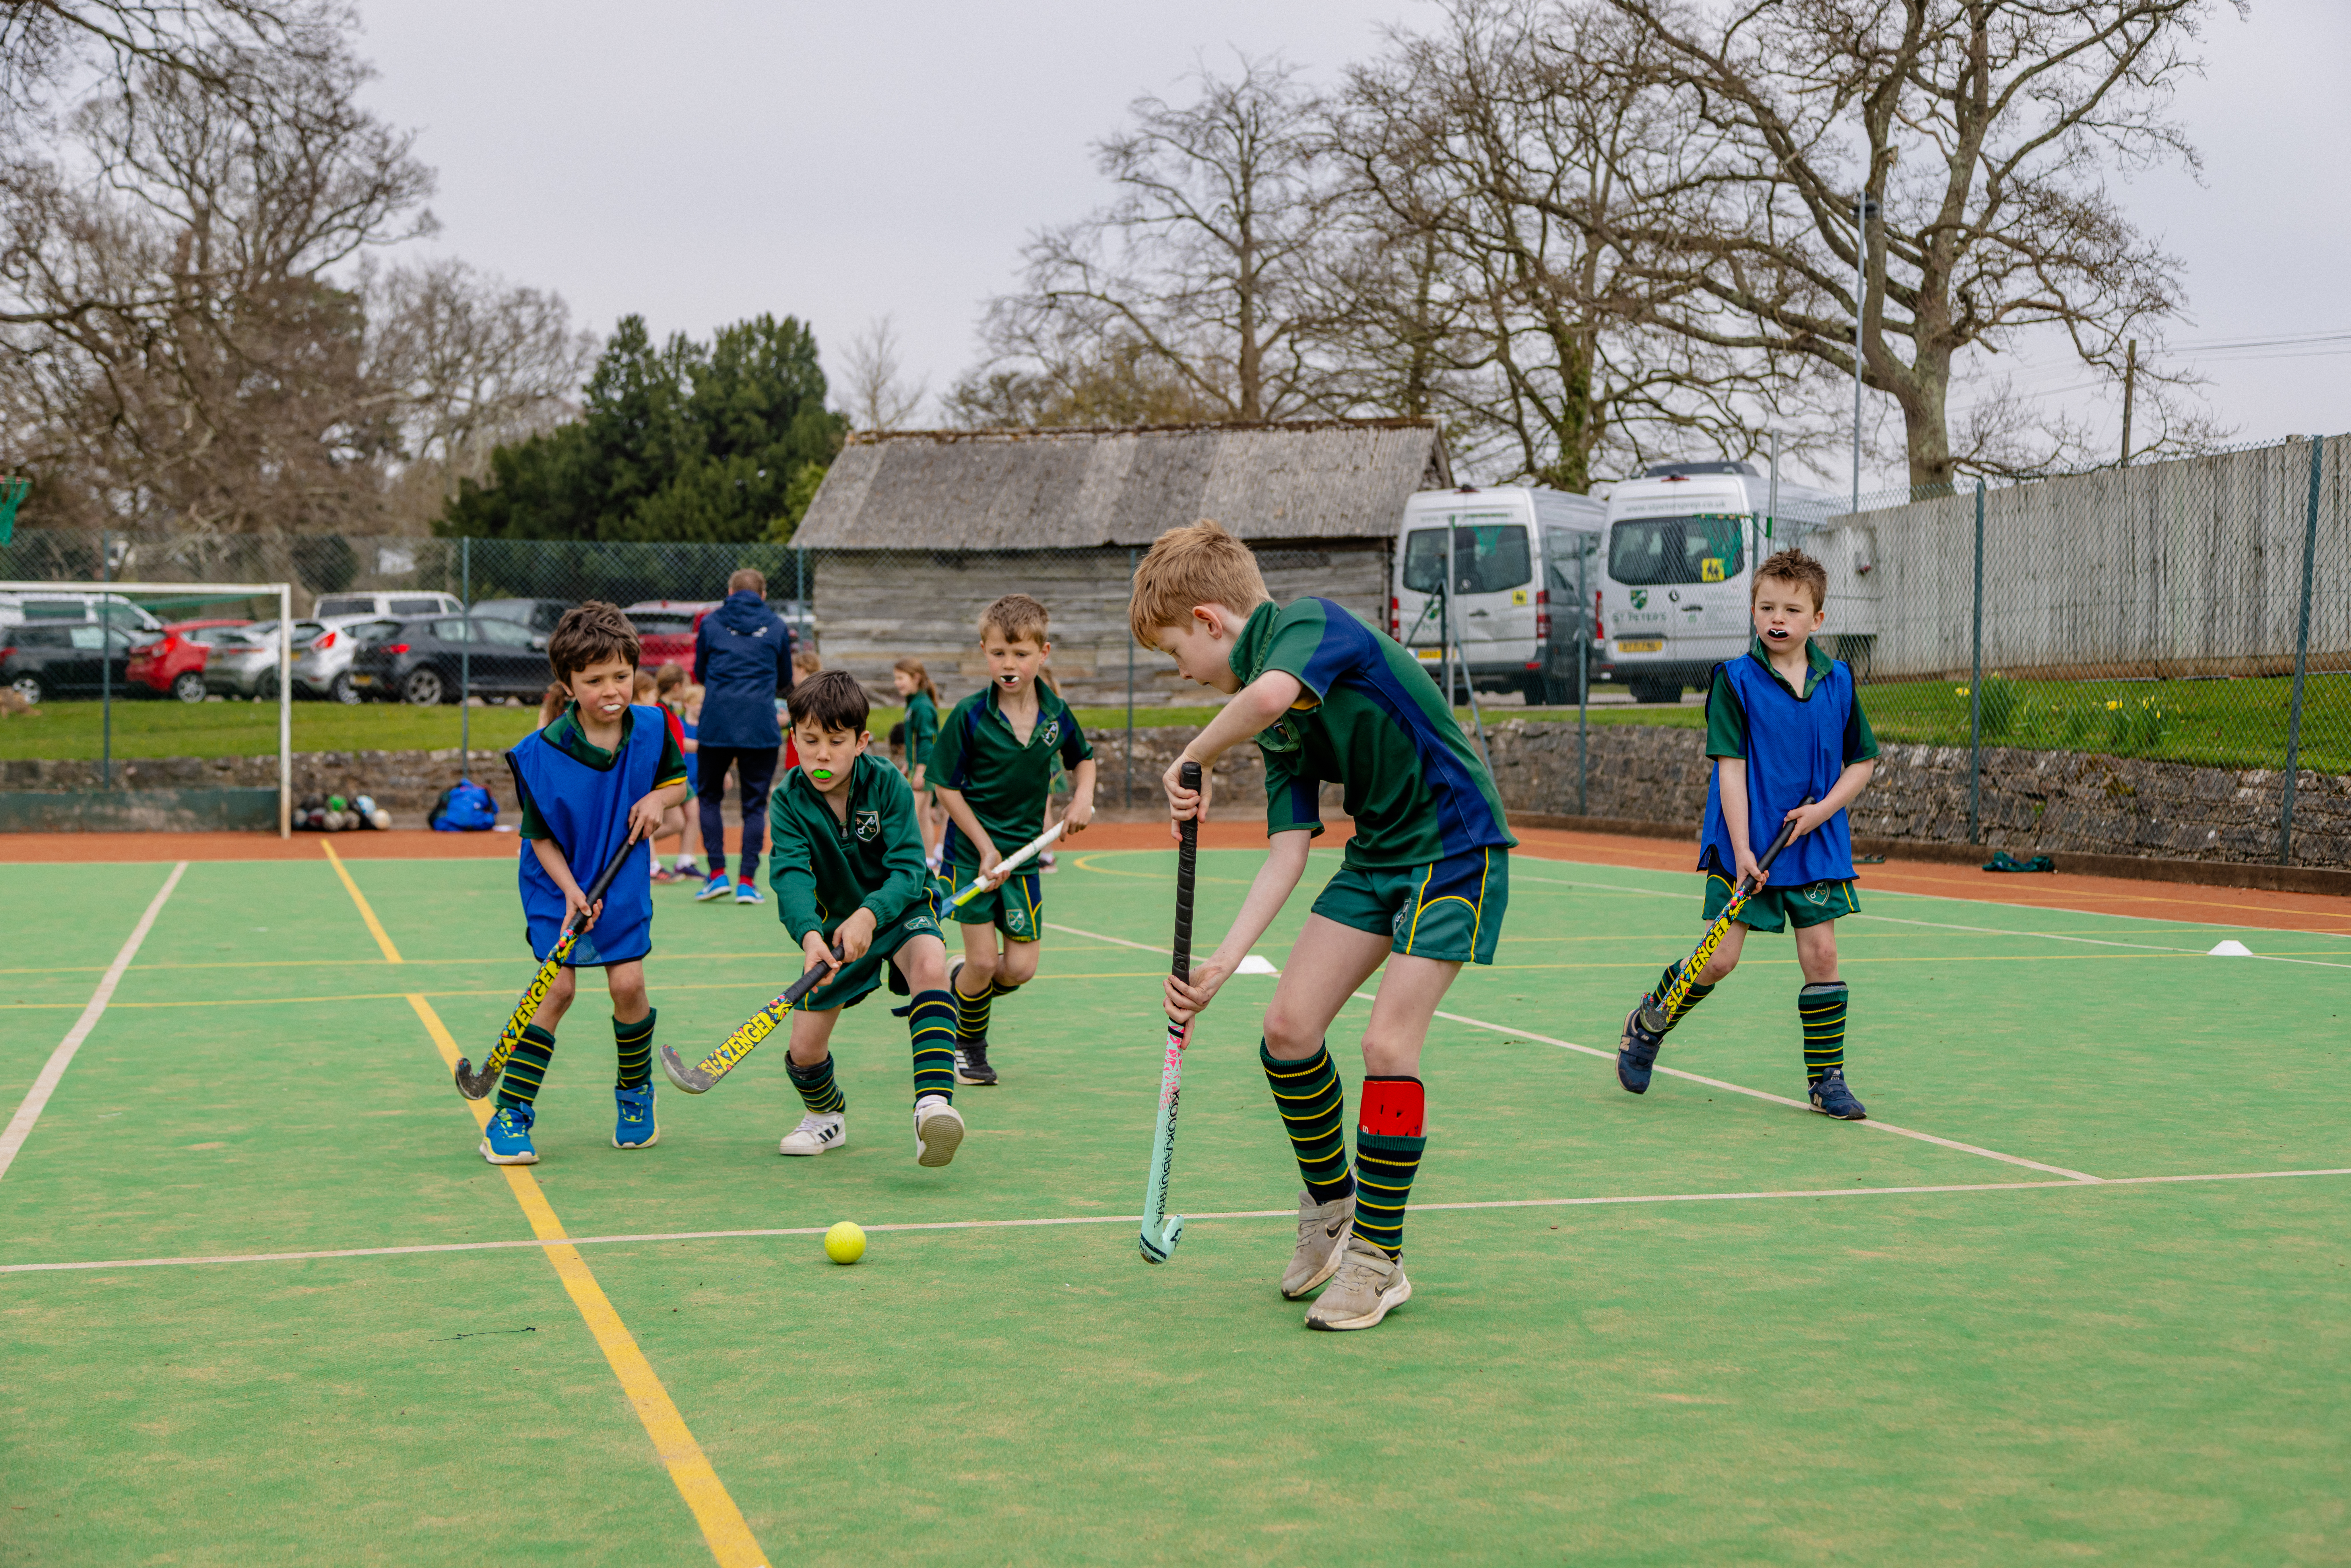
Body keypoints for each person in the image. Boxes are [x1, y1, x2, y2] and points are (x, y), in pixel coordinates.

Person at [1137, 520, 1514, 1333]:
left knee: (1388, 1046)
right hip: (1378, 856)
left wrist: (1191, 758)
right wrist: (1223, 964)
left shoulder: (1310, 625)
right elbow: (1286, 853)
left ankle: (1380, 1259)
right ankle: (1333, 1210)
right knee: (1288, 1028)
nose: (1183, 674)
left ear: (1211, 621)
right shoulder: (1277, 722)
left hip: (1453, 847)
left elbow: (1267, 692)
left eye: (1177, 655)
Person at [1615, 547, 1879, 1119]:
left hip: (1814, 841)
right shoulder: (1734, 681)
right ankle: (1650, 1020)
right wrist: (1740, 850)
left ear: (1818, 619)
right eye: (1766, 606)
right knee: (1718, 961)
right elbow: (1729, 769)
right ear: (1753, 611)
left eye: (1791, 608)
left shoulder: (1838, 681)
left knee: (1823, 953)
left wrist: (1822, 811)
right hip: (1747, 841)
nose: (1777, 618)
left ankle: (1826, 1080)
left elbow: (1862, 761)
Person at [485, 603, 692, 1166]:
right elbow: (541, 838)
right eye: (594, 680)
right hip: (558, 880)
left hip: (621, 874)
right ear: (568, 684)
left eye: (621, 676)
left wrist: (657, 798)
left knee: (628, 985)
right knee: (559, 989)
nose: (611, 690)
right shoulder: (539, 755)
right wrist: (573, 890)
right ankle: (510, 1112)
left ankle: (634, 1097)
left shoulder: (652, 725)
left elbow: (677, 785)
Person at [765, 670, 967, 1167]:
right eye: (809, 740)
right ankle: (825, 1116)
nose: (821, 754)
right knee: (804, 1050)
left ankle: (932, 1107)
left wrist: (868, 914)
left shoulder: (888, 784)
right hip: (836, 933)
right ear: (793, 738)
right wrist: (810, 935)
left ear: (861, 742)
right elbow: (790, 876)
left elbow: (906, 868)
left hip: (899, 910)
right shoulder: (787, 801)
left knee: (930, 965)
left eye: (836, 741)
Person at [927, 594, 1096, 1087]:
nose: (1009, 664)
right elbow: (945, 786)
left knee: (1018, 967)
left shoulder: (1055, 713)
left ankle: (955, 986)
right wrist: (983, 846)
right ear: (985, 651)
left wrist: (1082, 796)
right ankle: (968, 1047)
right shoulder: (969, 715)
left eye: (1020, 653)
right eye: (999, 652)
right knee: (983, 960)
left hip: (1022, 857)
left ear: (1043, 653)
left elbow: (1082, 758)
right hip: (971, 854)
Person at [690, 568, 795, 907]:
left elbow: (700, 671)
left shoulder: (710, 623)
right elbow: (785, 677)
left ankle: (717, 874)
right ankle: (747, 882)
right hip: (760, 725)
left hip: (717, 722)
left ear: (730, 590)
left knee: (708, 797)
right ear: (763, 595)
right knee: (754, 805)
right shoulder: (777, 626)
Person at [892, 657, 944, 871]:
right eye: (895, 679)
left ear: (916, 678)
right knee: (923, 818)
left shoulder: (922, 706)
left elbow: (928, 739)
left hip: (924, 770)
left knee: (907, 815)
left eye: (900, 678)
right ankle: (929, 861)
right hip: (917, 767)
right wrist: (909, 763)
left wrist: (921, 769)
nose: (897, 683)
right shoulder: (914, 703)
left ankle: (905, 863)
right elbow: (913, 741)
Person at [653, 662, 703, 880]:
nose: (687, 689)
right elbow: (676, 743)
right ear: (676, 687)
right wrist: (709, 748)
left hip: (676, 772)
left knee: (691, 813)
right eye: (685, 685)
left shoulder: (671, 711)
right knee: (676, 822)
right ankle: (636, 846)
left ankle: (685, 861)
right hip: (665, 774)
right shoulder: (659, 712)